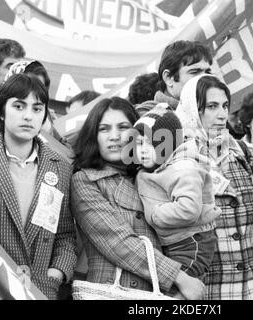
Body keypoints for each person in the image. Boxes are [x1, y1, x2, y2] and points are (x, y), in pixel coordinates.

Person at [70, 97, 205, 300]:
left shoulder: (158, 175)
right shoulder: (86, 180)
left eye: (123, 127)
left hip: (165, 294)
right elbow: (118, 242)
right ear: (93, 135)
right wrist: (179, 277)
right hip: (112, 291)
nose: (114, 136)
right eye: (104, 129)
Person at [0, 73, 77, 299]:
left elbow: (65, 235)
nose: (28, 116)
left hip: (41, 290)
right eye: (19, 106)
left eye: (36, 108)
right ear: (2, 111)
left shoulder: (60, 167)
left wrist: (56, 273)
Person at [176, 74, 253, 300]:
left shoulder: (247, 153)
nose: (222, 114)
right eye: (212, 106)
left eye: (225, 106)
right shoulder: (179, 159)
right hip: (213, 289)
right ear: (194, 110)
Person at [134, 106, 220, 282]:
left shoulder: (183, 168)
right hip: (176, 242)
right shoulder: (158, 167)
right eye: (138, 143)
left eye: (151, 143)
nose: (143, 149)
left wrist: (155, 215)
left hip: (191, 244)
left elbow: (188, 209)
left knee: (179, 290)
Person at [155, 40, 213, 110]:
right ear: (168, 77)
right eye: (194, 72)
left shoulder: (214, 112)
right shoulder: (151, 117)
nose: (205, 78)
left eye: (208, 72)